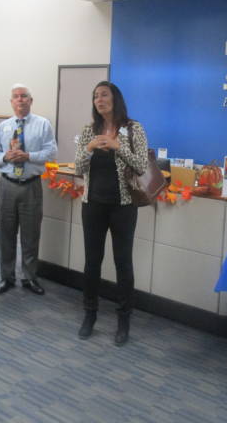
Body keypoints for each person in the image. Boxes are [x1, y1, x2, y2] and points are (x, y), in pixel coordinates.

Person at [74, 81, 148, 346]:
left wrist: (118, 146)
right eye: (95, 96)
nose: (99, 99)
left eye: (104, 95)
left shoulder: (133, 128)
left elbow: (141, 165)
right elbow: (78, 168)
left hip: (123, 206)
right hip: (93, 204)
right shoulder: (88, 130)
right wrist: (91, 147)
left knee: (123, 263)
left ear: (115, 98)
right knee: (92, 262)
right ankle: (89, 314)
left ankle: (124, 319)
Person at [0, 84, 57, 296]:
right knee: (5, 234)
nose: (20, 100)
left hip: (31, 186)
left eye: (24, 96)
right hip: (7, 185)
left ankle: (29, 278)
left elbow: (51, 152)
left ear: (30, 100)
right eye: (16, 97)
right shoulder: (3, 126)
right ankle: (6, 277)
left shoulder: (43, 124)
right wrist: (4, 157)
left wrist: (28, 156)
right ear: (11, 102)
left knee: (31, 235)